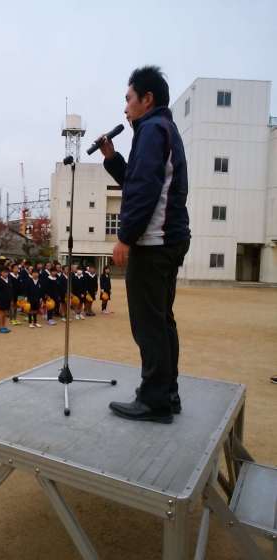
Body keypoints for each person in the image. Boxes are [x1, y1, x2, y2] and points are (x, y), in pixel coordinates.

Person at [101, 66, 191, 424]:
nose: (125, 108)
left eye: (129, 99)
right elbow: (138, 179)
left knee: (148, 324)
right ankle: (167, 393)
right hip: (170, 240)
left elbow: (143, 190)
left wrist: (125, 237)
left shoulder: (152, 129)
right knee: (162, 320)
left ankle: (154, 400)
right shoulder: (163, 129)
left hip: (153, 242)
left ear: (147, 99)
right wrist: (112, 158)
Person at [0, 267, 12, 333]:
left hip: (8, 299)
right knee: (1, 313)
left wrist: (11, 299)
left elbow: (11, 290)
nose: (6, 274)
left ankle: (4, 326)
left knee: (5, 314)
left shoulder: (9, 280)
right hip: (1, 300)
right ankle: (1, 327)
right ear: (1, 273)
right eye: (4, 272)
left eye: (7, 272)